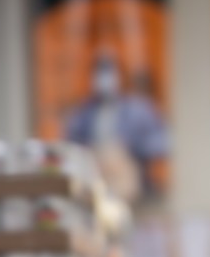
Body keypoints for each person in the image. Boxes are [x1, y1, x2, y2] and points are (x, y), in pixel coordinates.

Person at [65, 55, 169, 196]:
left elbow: (161, 143)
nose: (104, 80)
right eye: (99, 74)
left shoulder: (138, 109)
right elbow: (70, 145)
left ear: (119, 76)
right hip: (95, 180)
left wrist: (132, 148)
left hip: (127, 182)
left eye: (109, 73)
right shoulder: (84, 112)